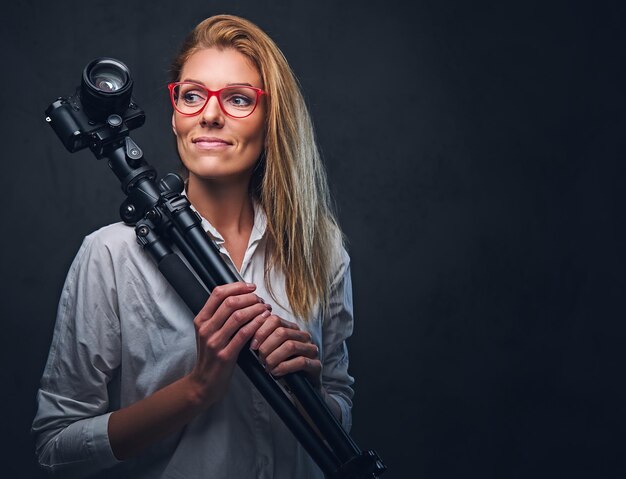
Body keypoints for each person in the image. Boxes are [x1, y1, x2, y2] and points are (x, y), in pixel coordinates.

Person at [32, 14, 354, 479]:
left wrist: (313, 395)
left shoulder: (320, 250)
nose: (210, 114)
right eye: (193, 95)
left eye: (239, 99)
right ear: (175, 112)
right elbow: (54, 447)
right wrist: (198, 388)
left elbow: (341, 403)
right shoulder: (111, 256)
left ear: (271, 120)